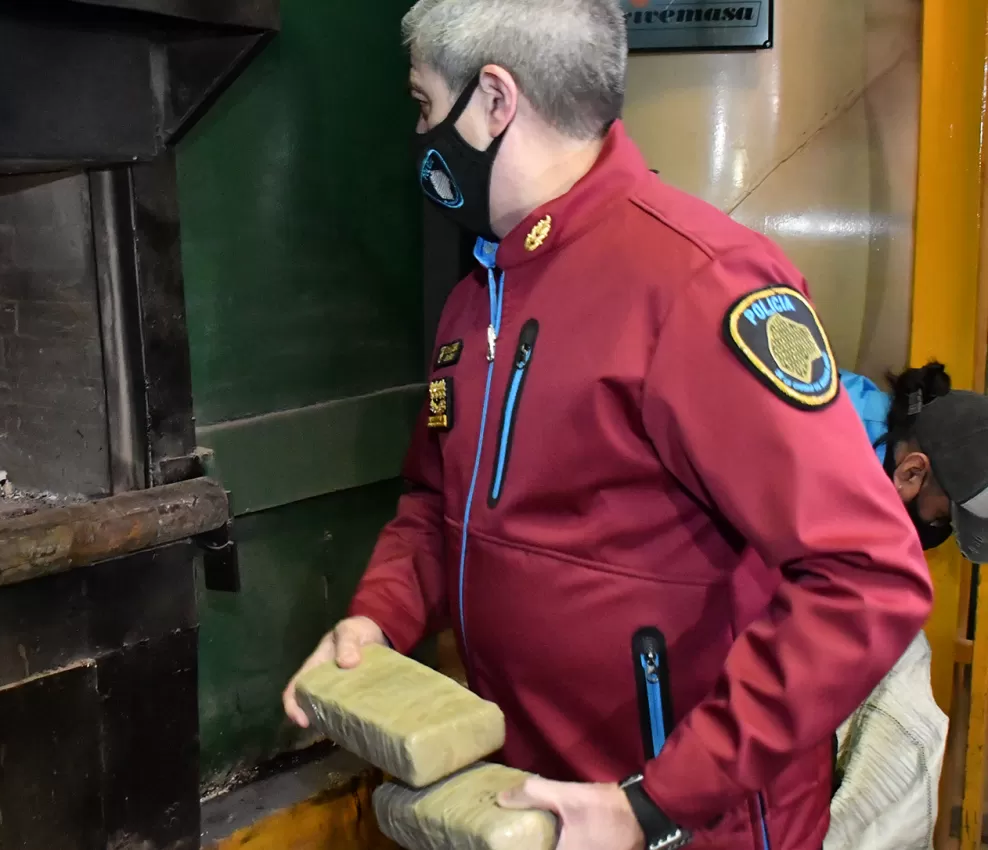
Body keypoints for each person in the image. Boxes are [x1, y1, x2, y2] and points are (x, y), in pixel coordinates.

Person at [279, 2, 934, 848]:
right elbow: (435, 502)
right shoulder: (478, 296)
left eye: (420, 101)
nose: (418, 130)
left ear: (493, 101)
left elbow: (867, 576)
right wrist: (380, 618)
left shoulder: (702, 288)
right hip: (535, 804)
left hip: (685, 820)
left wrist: (655, 801)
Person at [826, 363, 981, 850]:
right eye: (946, 518)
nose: (941, 534)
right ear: (914, 471)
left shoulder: (901, 459)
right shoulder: (822, 446)